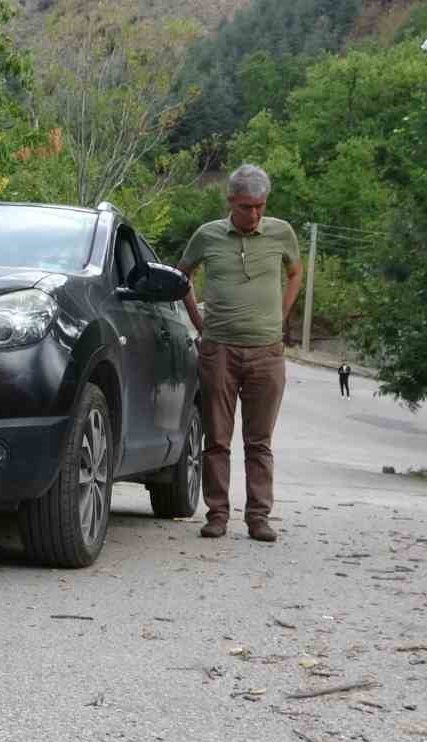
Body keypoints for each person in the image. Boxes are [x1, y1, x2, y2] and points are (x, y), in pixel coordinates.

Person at [176, 164, 303, 542]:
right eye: (246, 206)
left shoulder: (281, 232)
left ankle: (258, 517)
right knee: (216, 439)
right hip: (219, 351)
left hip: (266, 352)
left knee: (259, 441)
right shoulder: (208, 235)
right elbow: (181, 274)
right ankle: (217, 514)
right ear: (230, 202)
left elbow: (296, 271)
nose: (254, 214)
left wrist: (281, 315)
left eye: (260, 206)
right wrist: (198, 321)